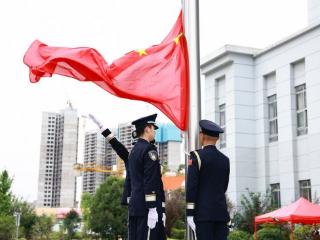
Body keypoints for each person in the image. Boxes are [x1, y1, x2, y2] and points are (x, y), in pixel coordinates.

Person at [186, 120, 230, 240]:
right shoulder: (225, 160)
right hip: (221, 215)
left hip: (203, 216)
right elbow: (224, 186)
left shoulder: (197, 156)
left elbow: (191, 187)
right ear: (217, 138)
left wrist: (190, 213)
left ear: (202, 135)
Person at [128, 113, 166, 240]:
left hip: (135, 206)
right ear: (147, 129)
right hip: (147, 208)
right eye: (153, 128)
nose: (154, 131)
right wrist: (152, 208)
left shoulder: (134, 150)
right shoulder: (149, 150)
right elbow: (151, 180)